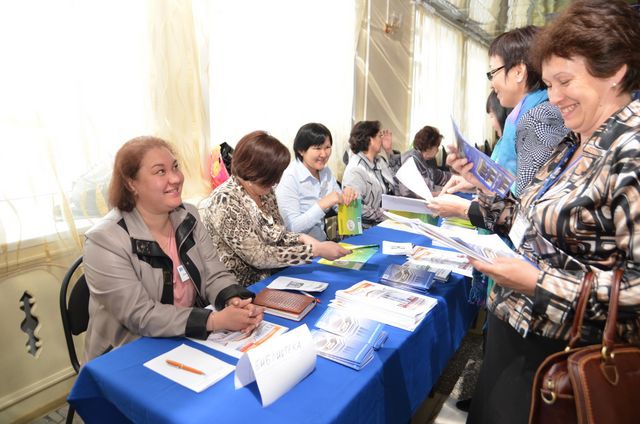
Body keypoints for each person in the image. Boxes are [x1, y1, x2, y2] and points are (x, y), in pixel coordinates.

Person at [448, 2, 640, 422]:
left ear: (615, 71)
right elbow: (529, 220)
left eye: (565, 81)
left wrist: (539, 282)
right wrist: (480, 191)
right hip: (514, 337)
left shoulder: (631, 150)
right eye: (549, 84)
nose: (553, 98)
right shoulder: (572, 143)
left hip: (567, 361)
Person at [83, 136, 263, 361]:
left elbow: (214, 274)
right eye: (160, 171)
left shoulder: (188, 215)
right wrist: (214, 321)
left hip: (184, 337)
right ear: (131, 183)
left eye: (175, 167)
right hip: (129, 352)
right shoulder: (104, 240)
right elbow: (140, 314)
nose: (176, 178)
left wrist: (234, 301)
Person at [200, 131, 349, 287]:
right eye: (272, 176)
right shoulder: (225, 201)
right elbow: (258, 256)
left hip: (274, 276)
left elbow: (277, 234)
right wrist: (314, 251)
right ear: (254, 171)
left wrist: (301, 239)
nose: (276, 182)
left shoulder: (265, 191)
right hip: (240, 287)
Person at [276, 123, 357, 241]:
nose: (324, 154)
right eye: (317, 148)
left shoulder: (325, 171)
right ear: (301, 150)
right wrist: (323, 204)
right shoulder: (290, 178)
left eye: (327, 147)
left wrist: (348, 197)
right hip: (300, 248)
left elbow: (339, 204)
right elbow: (291, 228)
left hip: (322, 242)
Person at [342, 120, 401, 226]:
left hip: (383, 222)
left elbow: (398, 181)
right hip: (366, 228)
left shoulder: (379, 161)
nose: (382, 139)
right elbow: (355, 207)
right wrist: (385, 215)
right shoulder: (356, 169)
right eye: (379, 136)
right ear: (370, 140)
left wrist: (389, 150)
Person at [398, 125, 451, 196]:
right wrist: (439, 194)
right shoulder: (410, 161)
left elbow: (439, 176)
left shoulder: (427, 161)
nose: (438, 150)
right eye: (437, 146)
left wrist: (459, 177)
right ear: (429, 147)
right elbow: (408, 194)